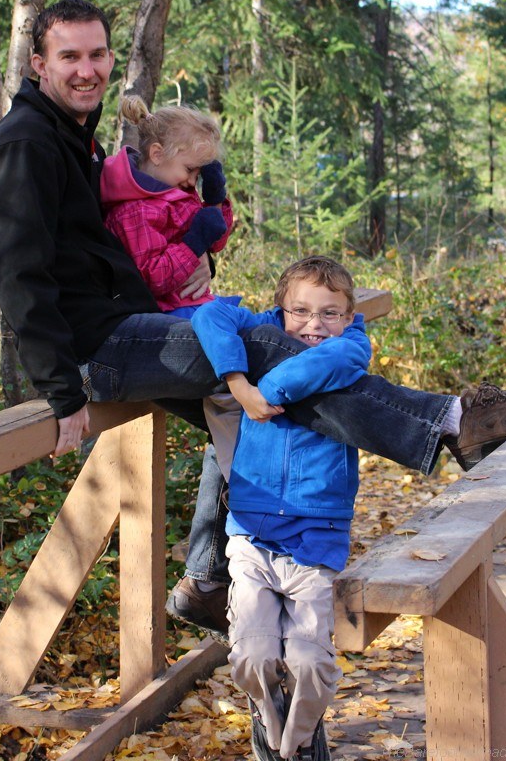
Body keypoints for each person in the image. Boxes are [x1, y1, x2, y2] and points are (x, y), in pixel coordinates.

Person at [0, 0, 506, 644]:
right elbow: (16, 274)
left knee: (253, 396)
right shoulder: (25, 144)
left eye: (95, 55)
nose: (86, 69)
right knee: (262, 345)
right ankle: (454, 424)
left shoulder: (68, 139)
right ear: (38, 63)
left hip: (124, 323)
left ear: (110, 58)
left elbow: (95, 254)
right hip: (97, 348)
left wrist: (181, 272)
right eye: (69, 57)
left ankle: (209, 579)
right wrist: (60, 390)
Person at [191, 256, 371, 761]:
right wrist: (238, 385)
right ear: (280, 309)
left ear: (350, 315)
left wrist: (265, 390)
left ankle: (300, 734)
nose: (314, 325)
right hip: (252, 533)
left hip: (316, 535)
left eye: (330, 313)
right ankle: (271, 721)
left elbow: (328, 361)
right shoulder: (263, 331)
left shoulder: (352, 346)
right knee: (253, 652)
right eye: (301, 310)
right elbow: (209, 315)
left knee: (311, 661)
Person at [101, 95, 236, 316]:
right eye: (190, 169)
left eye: (199, 173)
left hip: (195, 302)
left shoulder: (178, 191)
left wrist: (215, 202)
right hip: (169, 311)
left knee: (261, 328)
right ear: (157, 154)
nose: (193, 181)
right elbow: (152, 278)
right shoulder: (135, 210)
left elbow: (216, 242)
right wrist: (194, 245)